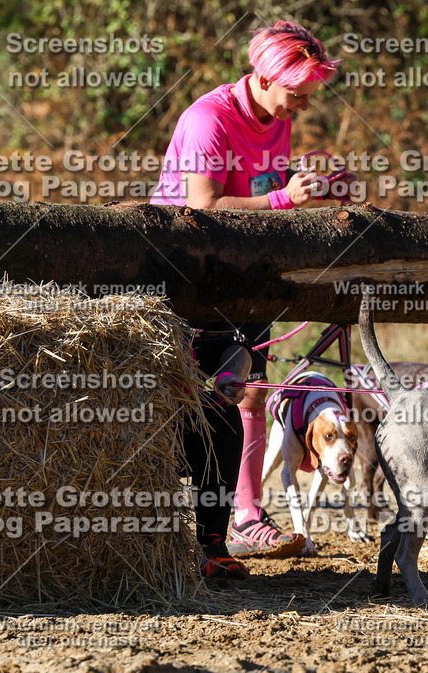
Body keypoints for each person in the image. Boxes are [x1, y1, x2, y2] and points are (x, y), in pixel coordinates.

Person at [150, 20, 341, 578]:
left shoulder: (274, 116)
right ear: (263, 77)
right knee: (191, 409)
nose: (302, 108)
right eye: (297, 95)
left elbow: (260, 189)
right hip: (181, 281)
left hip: (237, 282)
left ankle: (218, 542)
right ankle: (183, 538)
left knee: (233, 403)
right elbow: (204, 206)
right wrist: (286, 198)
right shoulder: (208, 118)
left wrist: (317, 187)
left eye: (309, 97)